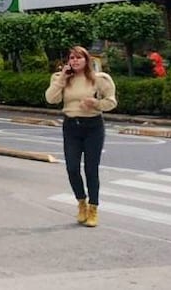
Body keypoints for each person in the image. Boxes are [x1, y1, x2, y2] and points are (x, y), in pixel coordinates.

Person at [45, 45, 117, 228]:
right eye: (72, 58)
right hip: (71, 126)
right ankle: (81, 202)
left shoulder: (98, 79)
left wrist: (96, 103)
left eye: (79, 58)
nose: (75, 61)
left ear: (87, 60)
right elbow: (51, 99)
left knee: (91, 169)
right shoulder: (60, 79)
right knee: (72, 168)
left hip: (93, 126)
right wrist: (62, 78)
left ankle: (93, 208)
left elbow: (111, 102)